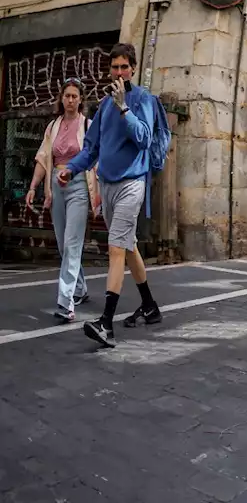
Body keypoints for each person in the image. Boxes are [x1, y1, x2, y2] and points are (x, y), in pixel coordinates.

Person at [61, 43, 163, 348]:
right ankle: (150, 305)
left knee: (115, 247)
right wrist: (71, 169)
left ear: (132, 68)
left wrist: (124, 108)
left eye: (124, 67)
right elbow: (91, 148)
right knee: (128, 246)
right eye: (115, 67)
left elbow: (144, 137)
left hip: (132, 183)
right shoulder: (104, 105)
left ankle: (106, 323)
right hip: (107, 185)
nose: (119, 72)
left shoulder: (143, 99)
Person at [29, 80, 99, 322]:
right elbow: (43, 158)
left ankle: (65, 301)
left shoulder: (87, 125)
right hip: (57, 188)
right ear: (61, 99)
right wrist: (33, 186)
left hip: (79, 185)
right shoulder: (53, 126)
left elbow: (95, 158)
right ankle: (79, 287)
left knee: (72, 242)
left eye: (74, 96)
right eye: (67, 96)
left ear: (81, 100)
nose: (70, 100)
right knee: (63, 244)